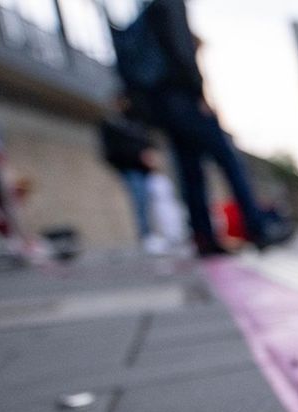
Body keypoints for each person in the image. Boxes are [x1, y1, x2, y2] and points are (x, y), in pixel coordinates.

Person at [126, 0, 273, 257]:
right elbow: (181, 49)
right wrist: (199, 91)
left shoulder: (150, 9)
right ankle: (256, 226)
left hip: (163, 103)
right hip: (184, 96)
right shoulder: (170, 5)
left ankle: (203, 236)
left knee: (190, 169)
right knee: (229, 160)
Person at [99, 94, 169, 255]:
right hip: (130, 168)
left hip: (145, 169)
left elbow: (148, 141)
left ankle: (159, 235)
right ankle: (147, 236)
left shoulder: (136, 122)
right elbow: (110, 150)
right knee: (140, 200)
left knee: (154, 200)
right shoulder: (110, 124)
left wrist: (151, 156)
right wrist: (128, 161)